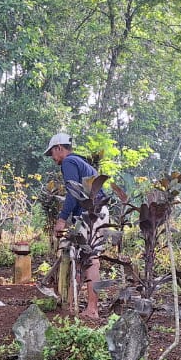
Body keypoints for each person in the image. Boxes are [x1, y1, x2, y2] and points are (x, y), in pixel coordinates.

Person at [44, 131, 106, 319]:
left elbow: (72, 192)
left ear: (59, 148)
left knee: (90, 259)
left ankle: (92, 309)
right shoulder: (83, 163)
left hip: (91, 214)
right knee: (83, 258)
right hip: (95, 213)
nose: (53, 158)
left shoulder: (69, 162)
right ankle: (74, 304)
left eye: (52, 153)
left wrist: (62, 219)